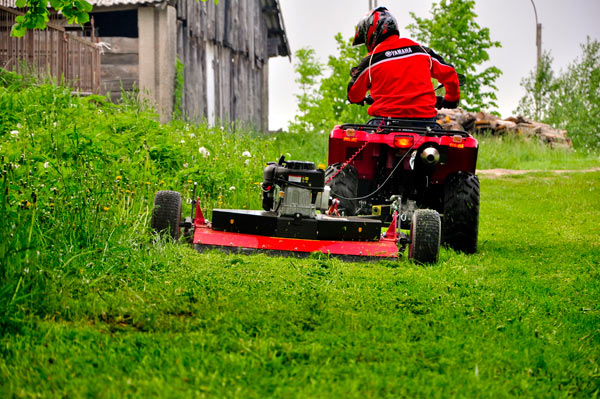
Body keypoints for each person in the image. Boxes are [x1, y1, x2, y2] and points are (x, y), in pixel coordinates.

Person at [348, 7, 460, 123]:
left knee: (363, 138)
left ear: (371, 33)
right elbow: (449, 73)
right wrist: (451, 99)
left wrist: (359, 98)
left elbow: (353, 94)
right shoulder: (420, 50)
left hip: (386, 124)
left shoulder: (371, 61)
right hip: (424, 124)